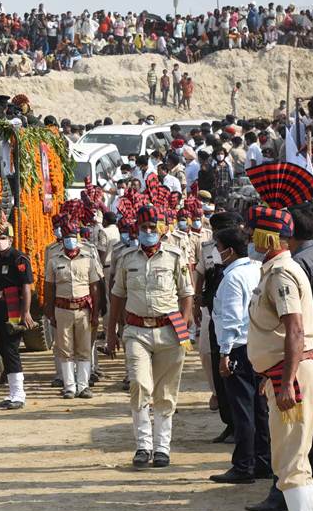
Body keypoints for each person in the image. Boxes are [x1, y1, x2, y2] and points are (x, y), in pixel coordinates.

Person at [244, 204, 313, 511]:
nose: (249, 238)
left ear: (266, 237)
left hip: (289, 372)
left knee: (292, 462)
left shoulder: (281, 273)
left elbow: (294, 329)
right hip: (285, 371)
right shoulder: (276, 270)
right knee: (289, 459)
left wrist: (285, 383)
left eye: (253, 232)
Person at [106, 205, 194, 468]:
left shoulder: (175, 257)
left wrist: (185, 323)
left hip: (170, 329)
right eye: (143, 228)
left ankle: (162, 447)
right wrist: (110, 334)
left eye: (152, 227)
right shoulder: (127, 258)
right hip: (136, 332)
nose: (148, 232)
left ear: (161, 228)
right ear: (137, 230)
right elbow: (117, 297)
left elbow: (187, 294)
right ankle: (143, 446)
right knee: (140, 385)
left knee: (166, 393)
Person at [208, 227, 270, 484]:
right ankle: (263, 461)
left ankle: (244, 465)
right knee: (259, 409)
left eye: (217, 246)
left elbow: (232, 318)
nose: (215, 252)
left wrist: (224, 353)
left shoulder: (232, 278)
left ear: (229, 250)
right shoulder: (256, 269)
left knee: (243, 409)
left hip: (238, 347)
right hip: (255, 345)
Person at [44, 213, 102, 399]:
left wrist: (95, 314)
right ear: (62, 239)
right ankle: (69, 386)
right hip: (62, 310)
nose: (70, 241)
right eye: (67, 237)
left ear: (78, 238)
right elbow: (49, 288)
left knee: (84, 349)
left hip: (84, 309)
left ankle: (83, 386)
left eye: (73, 237)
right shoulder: (54, 260)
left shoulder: (88, 258)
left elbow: (94, 287)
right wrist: (50, 313)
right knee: (65, 349)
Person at [0, 221, 36, 410]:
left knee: (11, 350)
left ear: (10, 239)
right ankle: (11, 393)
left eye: (2, 238)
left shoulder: (19, 259)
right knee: (2, 350)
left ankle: (19, 394)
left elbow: (26, 287)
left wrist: (26, 312)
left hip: (14, 307)